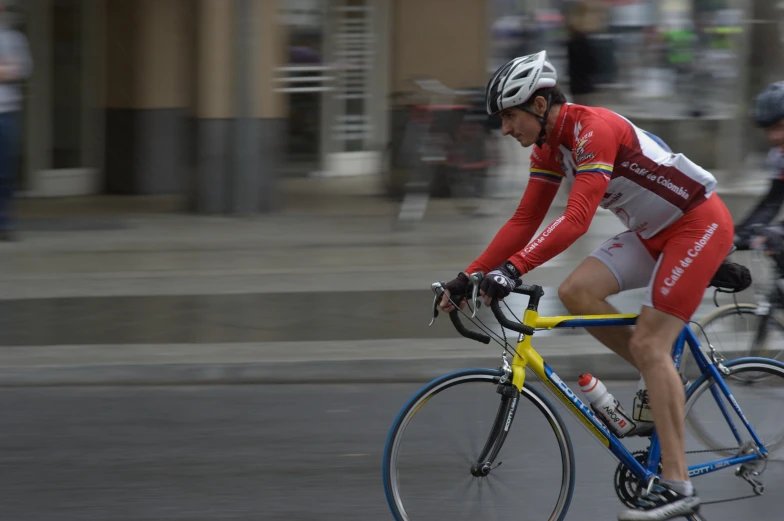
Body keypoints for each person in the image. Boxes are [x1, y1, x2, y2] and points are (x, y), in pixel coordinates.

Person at [439, 50, 734, 520]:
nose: (505, 129)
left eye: (510, 117)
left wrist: (513, 271)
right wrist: (469, 275)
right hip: (652, 234)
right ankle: (658, 379)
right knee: (576, 293)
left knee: (653, 346)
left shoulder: (591, 128)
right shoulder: (548, 147)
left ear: (539, 105)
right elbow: (524, 220)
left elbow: (576, 220)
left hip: (697, 225)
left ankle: (678, 486)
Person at [734, 82, 784, 253]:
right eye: (768, 130)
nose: (774, 137)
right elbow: (771, 203)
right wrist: (737, 236)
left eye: (780, 127)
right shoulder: (779, 157)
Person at [0, 1, 32, 242]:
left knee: (6, 171)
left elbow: (19, 70)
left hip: (8, 111)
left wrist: (8, 70)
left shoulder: (14, 38)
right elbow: (8, 70)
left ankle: (4, 223)